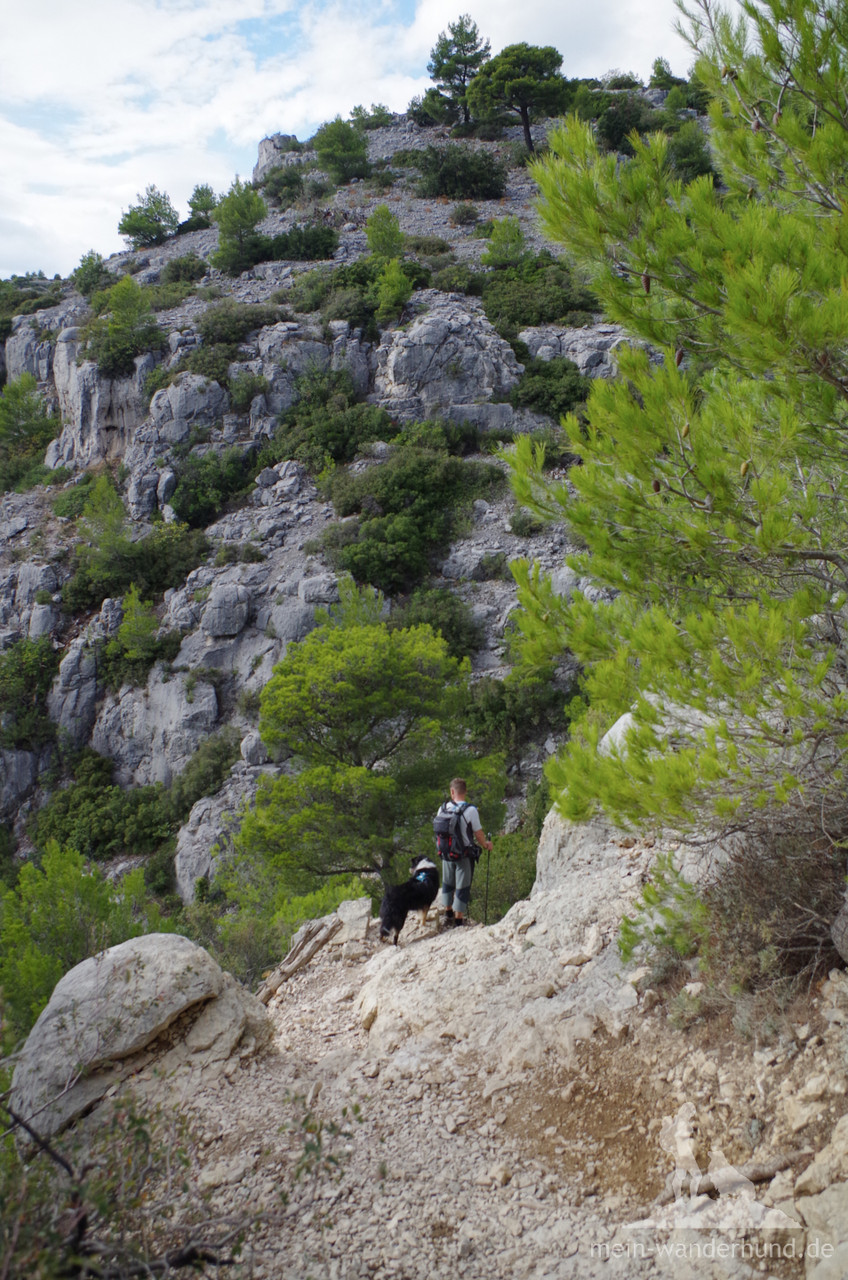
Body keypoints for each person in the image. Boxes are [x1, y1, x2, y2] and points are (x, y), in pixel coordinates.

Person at [436, 777, 493, 928]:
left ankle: (447, 915)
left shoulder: (442, 808)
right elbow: (478, 834)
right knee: (462, 887)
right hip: (463, 854)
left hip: (446, 853)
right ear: (465, 792)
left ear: (452, 791)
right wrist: (486, 845)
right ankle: (458, 922)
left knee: (447, 883)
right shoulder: (470, 810)